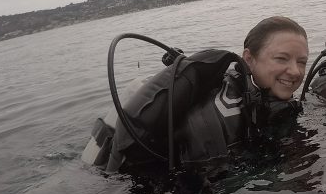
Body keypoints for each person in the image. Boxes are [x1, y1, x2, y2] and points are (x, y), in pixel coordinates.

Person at [85, 16, 309, 174]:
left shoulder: (252, 96)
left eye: (302, 62)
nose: (295, 71)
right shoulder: (225, 112)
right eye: (281, 58)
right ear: (249, 59)